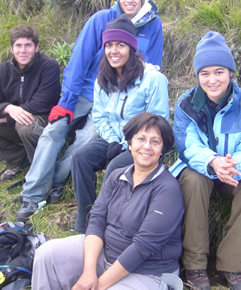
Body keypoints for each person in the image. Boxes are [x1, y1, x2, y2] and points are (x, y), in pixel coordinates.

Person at [17, 0, 164, 220]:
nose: (129, 0)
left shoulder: (152, 24)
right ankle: (32, 195)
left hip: (119, 97)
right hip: (88, 89)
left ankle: (54, 183)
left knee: (85, 139)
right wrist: (67, 102)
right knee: (54, 131)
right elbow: (79, 61)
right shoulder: (101, 20)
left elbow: (154, 64)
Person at [32, 113, 184, 290]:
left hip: (147, 271)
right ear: (129, 143)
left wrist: (98, 285)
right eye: (141, 139)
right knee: (46, 254)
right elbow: (97, 220)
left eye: (155, 142)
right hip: (105, 253)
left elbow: (143, 247)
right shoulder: (116, 176)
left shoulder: (167, 189)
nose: (147, 146)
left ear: (163, 149)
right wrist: (89, 272)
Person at [170, 32, 241, 290]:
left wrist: (232, 166)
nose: (212, 80)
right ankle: (194, 264)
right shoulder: (186, 104)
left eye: (219, 72)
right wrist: (213, 161)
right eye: (205, 73)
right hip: (203, 170)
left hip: (233, 173)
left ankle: (233, 265)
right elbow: (186, 146)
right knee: (192, 179)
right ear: (198, 75)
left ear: (231, 73)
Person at [71, 15, 169, 234]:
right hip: (113, 139)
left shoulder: (153, 79)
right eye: (109, 45)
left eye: (120, 45)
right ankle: (84, 219)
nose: (113, 51)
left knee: (115, 168)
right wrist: (114, 140)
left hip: (145, 146)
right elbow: (100, 116)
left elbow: (158, 122)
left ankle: (104, 222)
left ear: (132, 48)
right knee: (81, 157)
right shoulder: (103, 78)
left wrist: (128, 144)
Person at [0, 24, 61, 181]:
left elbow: (40, 105)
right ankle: (17, 159)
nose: (23, 50)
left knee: (25, 125)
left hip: (43, 123)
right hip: (14, 123)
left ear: (37, 47)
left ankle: (41, 170)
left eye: (28, 45)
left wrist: (0, 119)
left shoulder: (49, 66)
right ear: (12, 49)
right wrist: (8, 108)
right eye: (18, 46)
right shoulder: (3, 70)